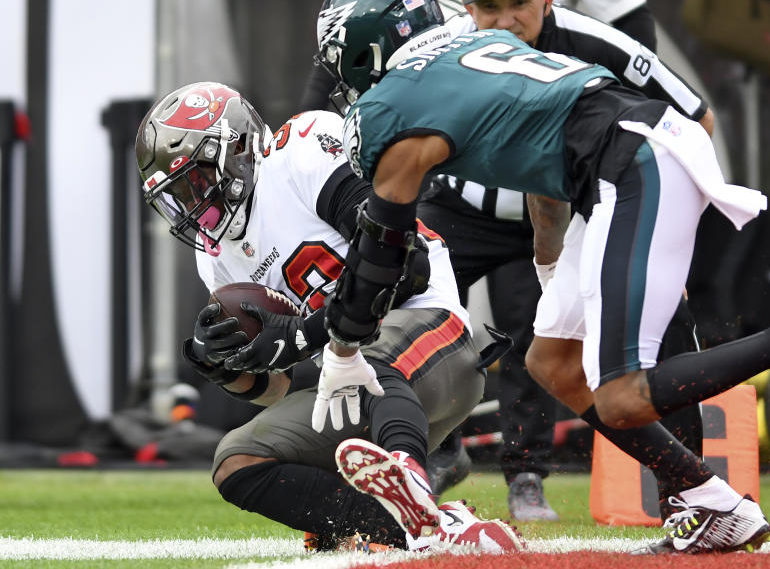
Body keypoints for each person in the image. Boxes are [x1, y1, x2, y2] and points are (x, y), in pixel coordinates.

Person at [307, 0, 770, 554]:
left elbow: (384, 244)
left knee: (621, 393)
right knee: (554, 362)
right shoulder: (482, 44)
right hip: (618, 163)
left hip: (634, 162)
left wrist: (344, 344)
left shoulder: (394, 103)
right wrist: (548, 271)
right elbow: (538, 159)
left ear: (362, 50)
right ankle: (710, 500)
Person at [301, 0, 709, 522]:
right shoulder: (446, 40)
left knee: (604, 359)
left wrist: (664, 229)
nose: (506, 21)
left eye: (519, 3)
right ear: (464, 11)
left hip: (602, 186)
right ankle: (427, 449)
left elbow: (670, 98)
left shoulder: (585, 33)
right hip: (499, 198)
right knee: (531, 351)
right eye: (489, 7)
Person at [135, 81, 523, 553]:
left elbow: (405, 262)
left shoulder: (301, 151)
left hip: (434, 339)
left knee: (368, 356)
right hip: (353, 381)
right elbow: (284, 386)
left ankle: (412, 478)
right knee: (236, 461)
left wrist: (302, 334)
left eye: (196, 183)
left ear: (236, 148)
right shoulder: (216, 257)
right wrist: (226, 369)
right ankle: (428, 529)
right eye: (178, 197)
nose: (196, 208)